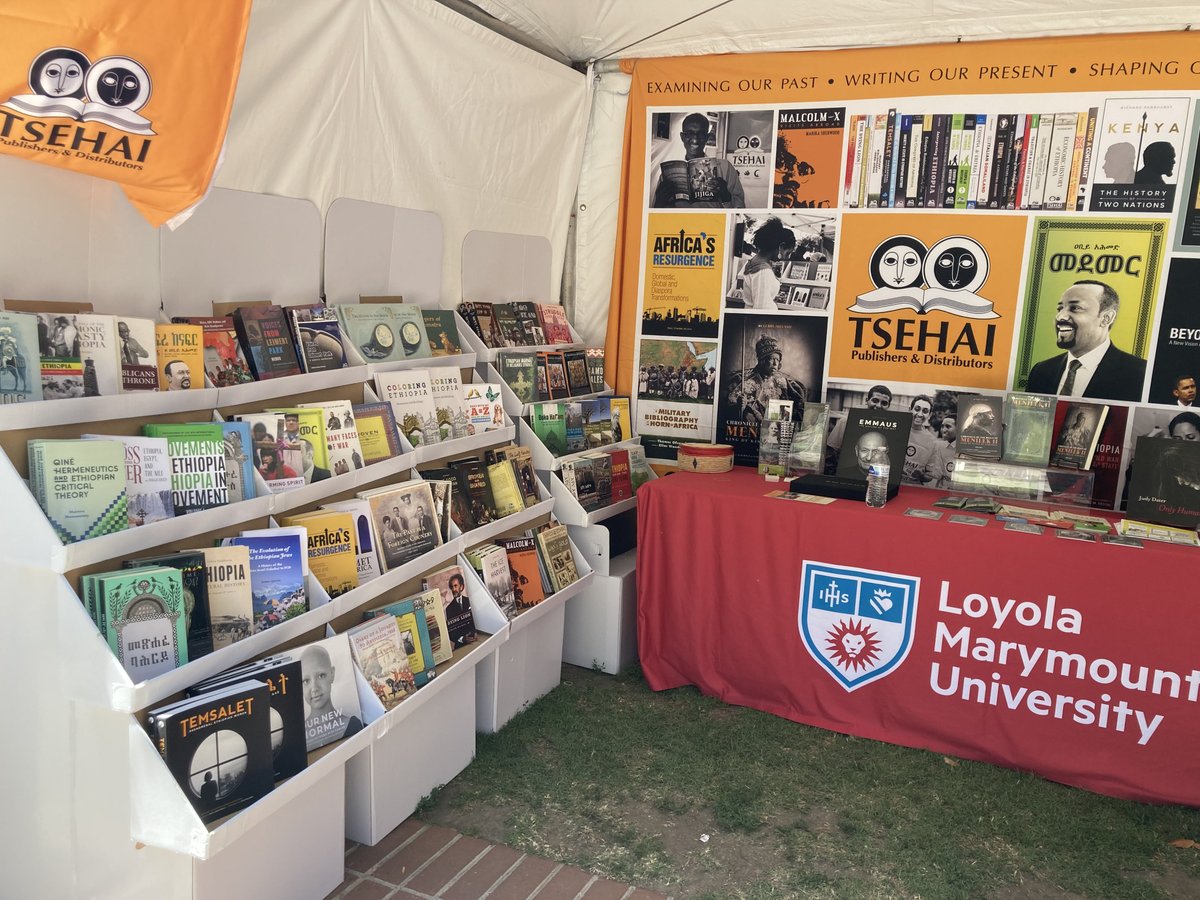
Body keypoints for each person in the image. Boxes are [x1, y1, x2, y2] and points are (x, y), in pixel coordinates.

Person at [1024, 280, 1146, 402]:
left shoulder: (1141, 374)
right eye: (1060, 308)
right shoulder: (1041, 371)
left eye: (1075, 308)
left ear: (1106, 318)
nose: (1060, 316)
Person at [651, 112, 745, 209]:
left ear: (707, 138)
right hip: (682, 224)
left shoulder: (725, 168)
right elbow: (657, 212)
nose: (695, 139)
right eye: (690, 133)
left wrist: (726, 197)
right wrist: (659, 202)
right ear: (682, 137)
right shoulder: (669, 174)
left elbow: (740, 210)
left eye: (701, 134)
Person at [724, 334, 807, 426]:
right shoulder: (747, 381)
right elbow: (731, 403)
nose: (775, 363)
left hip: (776, 426)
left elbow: (795, 409)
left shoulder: (783, 381)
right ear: (762, 361)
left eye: (778, 360)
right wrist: (740, 406)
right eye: (772, 359)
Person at [300, 643, 362, 744]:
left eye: (321, 676)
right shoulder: (298, 738)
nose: (314, 688)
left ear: (332, 674)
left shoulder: (353, 726)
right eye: (306, 681)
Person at [825, 384, 892, 473]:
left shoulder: (890, 426)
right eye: (875, 400)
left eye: (884, 403)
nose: (879, 406)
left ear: (888, 406)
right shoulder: (847, 421)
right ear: (867, 400)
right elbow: (830, 452)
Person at [739, 217, 797, 310]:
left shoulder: (755, 261)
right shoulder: (763, 271)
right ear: (781, 246)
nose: (787, 258)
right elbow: (761, 308)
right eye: (787, 253)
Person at [903, 394, 937, 485]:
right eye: (917, 409)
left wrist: (921, 476)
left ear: (929, 415)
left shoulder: (933, 442)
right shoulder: (897, 430)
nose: (920, 414)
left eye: (925, 411)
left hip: (914, 488)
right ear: (910, 409)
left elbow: (930, 475)